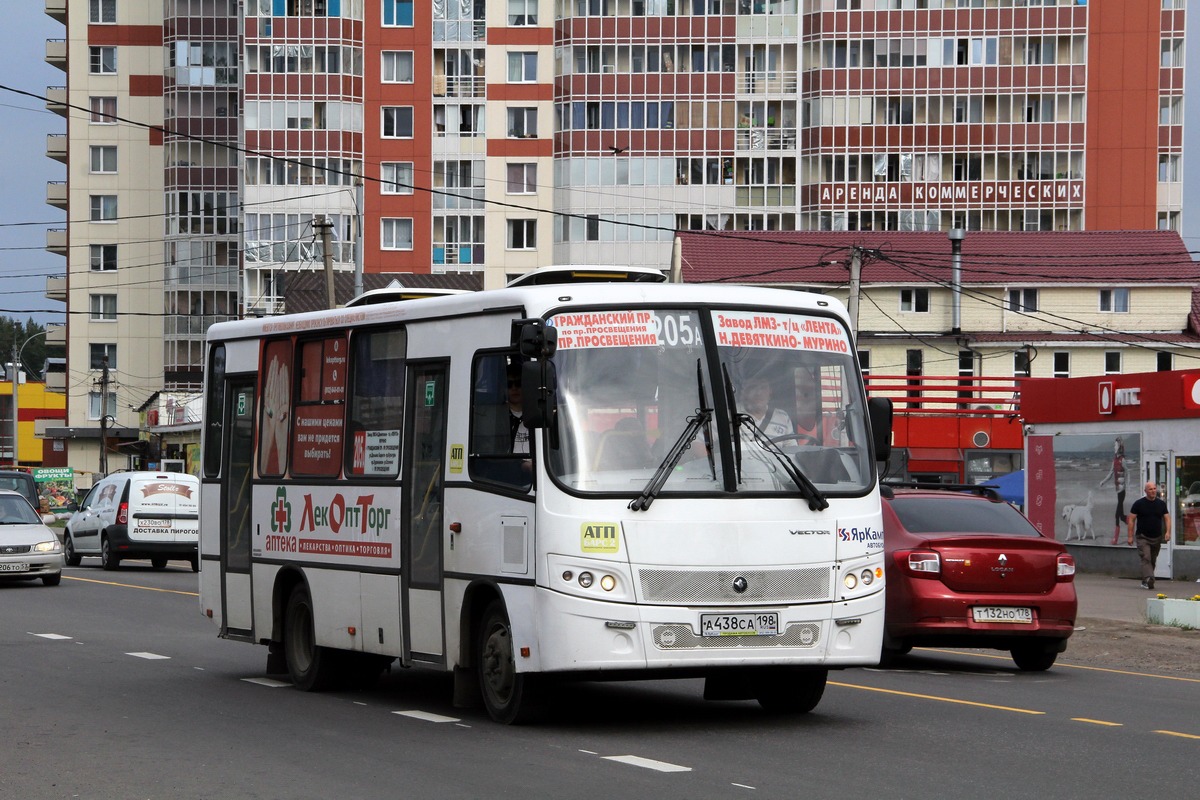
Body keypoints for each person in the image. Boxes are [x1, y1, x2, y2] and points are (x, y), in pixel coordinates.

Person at [1127, 481, 1170, 590]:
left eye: (1154, 488)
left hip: (1156, 537)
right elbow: (1131, 519)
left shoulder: (1161, 504)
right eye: (1150, 489)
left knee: (1152, 560)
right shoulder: (1139, 504)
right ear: (1145, 491)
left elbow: (1167, 518)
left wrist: (1168, 532)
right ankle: (1150, 579)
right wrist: (1130, 536)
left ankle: (1145, 580)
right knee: (1146, 557)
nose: (1153, 491)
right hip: (1143, 537)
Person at [738, 374, 793, 438]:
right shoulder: (732, 413)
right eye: (753, 387)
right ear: (745, 391)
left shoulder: (783, 417)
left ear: (770, 391)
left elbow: (792, 447)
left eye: (763, 387)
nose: (758, 393)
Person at [1098, 436, 1128, 545]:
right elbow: (1111, 473)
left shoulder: (1122, 460)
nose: (1113, 447)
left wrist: (1126, 486)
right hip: (1117, 490)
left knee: (1117, 515)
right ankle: (1129, 521)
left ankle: (1115, 539)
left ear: (1119, 446)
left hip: (1122, 491)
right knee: (1121, 516)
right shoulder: (1114, 459)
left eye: (1115, 445)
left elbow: (1127, 473)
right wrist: (1103, 481)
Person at [506, 363, 530, 454]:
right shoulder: (498, 418)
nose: (514, 388)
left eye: (518, 383)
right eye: (509, 384)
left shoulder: (537, 414)